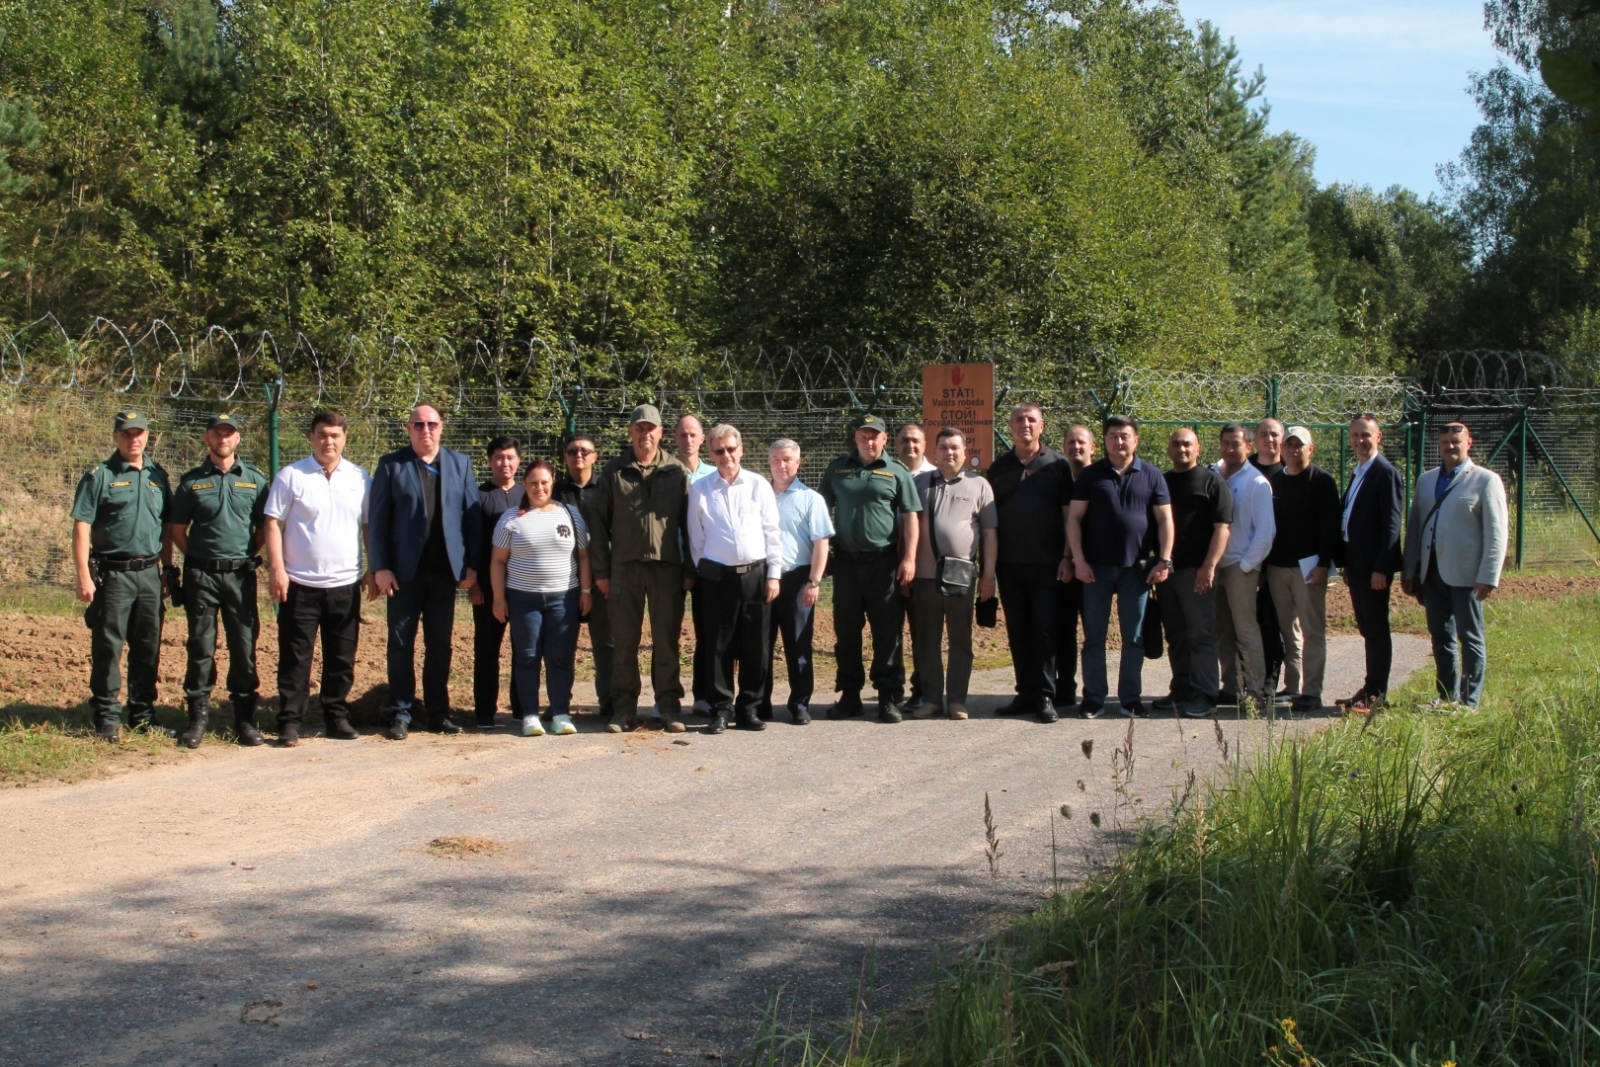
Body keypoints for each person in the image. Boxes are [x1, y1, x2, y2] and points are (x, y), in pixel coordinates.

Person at [368, 404, 481, 740]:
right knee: (401, 644)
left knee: (440, 646)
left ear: (441, 428)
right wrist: (380, 567)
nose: (425, 430)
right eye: (418, 424)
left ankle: (438, 713)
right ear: (409, 428)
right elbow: (378, 522)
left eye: (431, 424)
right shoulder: (391, 465)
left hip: (446, 573)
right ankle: (401, 713)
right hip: (403, 574)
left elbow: (472, 519)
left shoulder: (460, 464)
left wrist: (471, 565)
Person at [263, 411, 371, 747]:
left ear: (345, 438)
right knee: (296, 657)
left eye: (335, 435)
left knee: (342, 657)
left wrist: (373, 567)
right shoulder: (291, 476)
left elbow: (367, 526)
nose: (329, 441)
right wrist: (277, 570)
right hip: (301, 584)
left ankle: (336, 716)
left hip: (345, 583)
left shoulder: (359, 477)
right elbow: (272, 523)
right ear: (311, 437)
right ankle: (290, 722)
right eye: (323, 434)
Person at [71, 409, 174, 743]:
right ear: (116, 437)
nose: (134, 439)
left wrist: (168, 571)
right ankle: (106, 718)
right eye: (127, 434)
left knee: (148, 647)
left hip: (149, 574)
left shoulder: (158, 475)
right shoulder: (99, 475)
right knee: (108, 648)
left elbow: (168, 528)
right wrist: (83, 575)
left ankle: (143, 715)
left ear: (147, 435)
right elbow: (81, 526)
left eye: (139, 433)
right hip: (113, 576)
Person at [167, 413, 270, 748]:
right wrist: (198, 556)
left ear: (237, 438)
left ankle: (244, 720)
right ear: (206, 438)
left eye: (228, 433)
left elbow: (263, 529)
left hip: (241, 575)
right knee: (200, 646)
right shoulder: (191, 482)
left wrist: (243, 556)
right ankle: (197, 719)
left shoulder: (254, 481)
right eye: (216, 434)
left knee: (243, 646)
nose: (222, 439)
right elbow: (178, 531)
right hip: (202, 576)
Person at [589, 404, 694, 733]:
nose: (645, 434)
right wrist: (602, 572)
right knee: (624, 642)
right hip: (624, 570)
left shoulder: (677, 473)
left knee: (666, 641)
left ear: (661, 433)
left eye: (651, 428)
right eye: (639, 428)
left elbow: (691, 527)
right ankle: (623, 710)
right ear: (630, 432)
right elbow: (598, 525)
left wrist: (689, 568)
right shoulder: (614, 471)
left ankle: (668, 708)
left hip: (667, 570)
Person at [1067, 414, 1174, 719]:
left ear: (1136, 440)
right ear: (1105, 441)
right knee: (1094, 638)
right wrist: (1079, 560)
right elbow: (1074, 519)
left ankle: (1130, 698)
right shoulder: (1091, 475)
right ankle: (1094, 698)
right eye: (1113, 436)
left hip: (1136, 571)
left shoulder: (1152, 475)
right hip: (1095, 569)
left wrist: (1165, 559)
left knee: (1134, 638)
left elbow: (1165, 520)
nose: (1119, 441)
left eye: (1125, 435)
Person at [819, 414, 921, 723]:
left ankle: (888, 697)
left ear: (884, 439)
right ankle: (849, 696)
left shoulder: (896, 472)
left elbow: (911, 517)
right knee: (846, 632)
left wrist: (909, 559)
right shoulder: (838, 469)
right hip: (846, 565)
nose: (869, 441)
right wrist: (822, 553)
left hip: (884, 564)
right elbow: (820, 510)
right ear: (856, 438)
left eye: (874, 436)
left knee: (887, 633)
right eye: (864, 436)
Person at [1401, 421, 1508, 710]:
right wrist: (1409, 569)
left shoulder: (1486, 480)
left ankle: (1469, 701)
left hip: (1467, 575)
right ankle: (1447, 696)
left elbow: (1497, 532)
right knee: (1440, 636)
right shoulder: (1426, 480)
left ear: (1468, 443)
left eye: (1456, 442)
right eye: (1445, 441)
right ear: (1439, 445)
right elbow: (1414, 528)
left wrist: (1489, 575)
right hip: (1431, 572)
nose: (1450, 446)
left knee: (1470, 636)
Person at [686, 425, 784, 733]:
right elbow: (696, 537)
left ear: (740, 449)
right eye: (719, 451)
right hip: (718, 580)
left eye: (731, 449)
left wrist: (773, 575)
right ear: (711, 454)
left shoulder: (757, 485)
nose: (726, 455)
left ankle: (749, 709)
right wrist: (709, 570)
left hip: (756, 576)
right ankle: (721, 709)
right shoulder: (701, 489)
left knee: (756, 645)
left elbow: (772, 531)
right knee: (718, 645)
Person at [490, 460, 591, 737]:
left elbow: (583, 555)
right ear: (525, 484)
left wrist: (585, 591)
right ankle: (530, 716)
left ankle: (560, 713)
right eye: (533, 482)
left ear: (553, 482)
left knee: (560, 657)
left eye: (544, 482)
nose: (539, 487)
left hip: (564, 598)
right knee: (527, 657)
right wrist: (499, 598)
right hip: (523, 600)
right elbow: (497, 561)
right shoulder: (511, 517)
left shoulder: (570, 515)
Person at [987, 404, 1073, 722]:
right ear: (1011, 426)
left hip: (1048, 564)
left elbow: (1069, 519)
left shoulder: (1058, 466)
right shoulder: (998, 468)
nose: (1025, 424)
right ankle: (1024, 693)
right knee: (1018, 630)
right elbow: (990, 523)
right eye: (1019, 420)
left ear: (1042, 427)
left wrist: (1067, 557)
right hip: (1009, 565)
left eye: (1031, 420)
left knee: (1045, 630)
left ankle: (1045, 696)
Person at [909, 428, 997, 721]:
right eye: (944, 447)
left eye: (955, 448)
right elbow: (906, 530)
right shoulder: (918, 483)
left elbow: (989, 533)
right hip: (922, 577)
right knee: (926, 640)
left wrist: (988, 576)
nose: (949, 452)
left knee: (960, 640)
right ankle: (932, 700)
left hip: (962, 576)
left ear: (965, 451)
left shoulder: (980, 485)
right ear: (933, 453)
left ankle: (958, 700)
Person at [1155, 428, 1232, 718]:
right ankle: (1183, 689)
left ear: (1198, 448)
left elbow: (1223, 528)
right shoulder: (1161, 482)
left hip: (1197, 572)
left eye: (1187, 444)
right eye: (1175, 444)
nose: (1181, 449)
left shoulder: (1212, 482)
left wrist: (1208, 567)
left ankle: (1205, 694)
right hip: (1167, 572)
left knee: (1201, 634)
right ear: (1168, 448)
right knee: (1176, 634)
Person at [1264, 426, 1342, 712]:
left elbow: (1330, 527)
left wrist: (1323, 565)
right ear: (1282, 449)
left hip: (1309, 569)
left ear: (1312, 448)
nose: (1294, 449)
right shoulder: (1274, 482)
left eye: (1300, 445)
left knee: (1312, 630)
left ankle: (1312, 691)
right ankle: (1293, 686)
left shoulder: (1322, 481)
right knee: (1288, 629)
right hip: (1277, 567)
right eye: (1290, 444)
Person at [760, 439, 833, 725]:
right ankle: (759, 703)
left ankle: (800, 704)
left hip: (797, 579)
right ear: (769, 462)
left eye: (787, 459)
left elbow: (821, 543)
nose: (781, 465)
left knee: (798, 645)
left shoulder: (810, 499)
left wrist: (814, 582)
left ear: (798, 462)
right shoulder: (756, 494)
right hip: (763, 579)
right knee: (760, 645)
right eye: (776, 459)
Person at [1334, 415, 1404, 710]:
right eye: (1355, 436)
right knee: (1366, 629)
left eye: (1366, 435)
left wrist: (1382, 567)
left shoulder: (1385, 472)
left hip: (1374, 568)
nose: (1360, 441)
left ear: (1379, 437)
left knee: (1376, 629)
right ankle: (1369, 688)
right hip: (1357, 564)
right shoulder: (1359, 472)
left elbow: (1391, 524)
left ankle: (1377, 695)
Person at [1211, 422, 1276, 710]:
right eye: (1225, 443)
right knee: (1223, 631)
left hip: (1240, 566)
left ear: (1248, 447)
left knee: (1246, 631)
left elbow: (1265, 531)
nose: (1229, 448)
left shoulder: (1257, 483)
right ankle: (1231, 686)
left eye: (1236, 444)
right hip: (1215, 566)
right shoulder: (1213, 473)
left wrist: (1249, 565)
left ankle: (1255, 690)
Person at [555, 434, 612, 724]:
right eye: (572, 451)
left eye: (585, 451)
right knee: (562, 643)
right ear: (565, 457)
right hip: (564, 578)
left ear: (595, 456)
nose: (579, 455)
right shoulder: (554, 491)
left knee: (606, 642)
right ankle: (560, 704)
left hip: (601, 577)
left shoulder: (607, 489)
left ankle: (609, 702)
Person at [468, 437, 525, 729]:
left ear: (519, 461)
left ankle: (521, 709)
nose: (505, 463)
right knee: (487, 650)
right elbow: (474, 543)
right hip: (489, 589)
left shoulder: (528, 496)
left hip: (524, 587)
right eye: (499, 457)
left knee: (523, 649)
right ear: (489, 460)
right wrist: (474, 583)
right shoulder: (478, 496)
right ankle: (484, 713)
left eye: (511, 457)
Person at [676, 414, 717, 719]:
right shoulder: (665, 472)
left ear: (703, 439)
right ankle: (666, 698)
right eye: (682, 434)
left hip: (706, 566)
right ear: (674, 438)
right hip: (673, 565)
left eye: (694, 434)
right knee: (666, 634)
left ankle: (704, 695)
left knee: (708, 631)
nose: (688, 439)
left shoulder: (715, 475)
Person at [894, 421, 936, 710]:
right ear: (895, 445)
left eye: (915, 441)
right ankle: (893, 690)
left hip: (921, 568)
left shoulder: (934, 478)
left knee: (922, 631)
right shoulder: (888, 473)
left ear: (924, 445)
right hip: (886, 564)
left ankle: (921, 689)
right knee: (889, 630)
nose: (910, 446)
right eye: (904, 441)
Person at [1055, 423, 1096, 711]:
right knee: (1063, 630)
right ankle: (1065, 690)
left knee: (1093, 632)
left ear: (1092, 447)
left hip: (1097, 568)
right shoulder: (1059, 476)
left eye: (1081, 442)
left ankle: (1095, 692)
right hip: (1064, 566)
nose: (1075, 447)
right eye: (1070, 442)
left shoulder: (1102, 477)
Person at [1250, 419, 1288, 696]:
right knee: (1250, 626)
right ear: (1255, 440)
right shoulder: (1244, 470)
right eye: (1264, 435)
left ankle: (1273, 682)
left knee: (1274, 624)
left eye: (1274, 434)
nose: (1269, 439)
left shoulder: (1292, 470)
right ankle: (1247, 680)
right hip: (1247, 562)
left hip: (1280, 563)